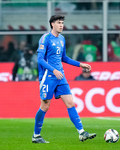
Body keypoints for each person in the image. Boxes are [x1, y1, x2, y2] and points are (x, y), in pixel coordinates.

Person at [32, 15, 96, 143]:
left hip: (60, 76)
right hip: (48, 77)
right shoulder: (45, 38)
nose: (61, 25)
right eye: (59, 23)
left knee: (70, 103)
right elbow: (40, 60)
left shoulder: (62, 39)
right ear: (52, 24)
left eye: (62, 23)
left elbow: (64, 58)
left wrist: (80, 64)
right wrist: (53, 70)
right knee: (45, 106)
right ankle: (36, 136)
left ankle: (82, 132)